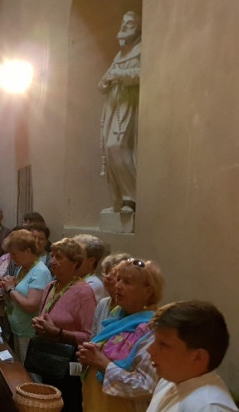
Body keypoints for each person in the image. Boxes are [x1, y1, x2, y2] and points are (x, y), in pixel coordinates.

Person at [78, 258, 164, 411]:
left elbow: (146, 386)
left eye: (127, 282)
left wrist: (102, 363)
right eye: (118, 279)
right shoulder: (118, 317)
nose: (117, 286)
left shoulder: (152, 330)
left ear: (148, 291)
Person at [31, 238, 97, 412]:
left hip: (68, 364)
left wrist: (58, 332)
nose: (52, 261)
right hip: (48, 357)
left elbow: (89, 336)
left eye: (59, 257)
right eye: (52, 256)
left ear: (75, 263)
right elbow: (47, 316)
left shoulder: (83, 292)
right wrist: (39, 324)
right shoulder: (51, 286)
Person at [146, 301, 236, 412]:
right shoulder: (168, 382)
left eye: (163, 344)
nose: (150, 350)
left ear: (198, 357)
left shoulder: (209, 407)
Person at [99, 11, 141, 214]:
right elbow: (102, 83)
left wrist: (122, 75)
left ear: (138, 28)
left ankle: (131, 198)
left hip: (128, 104)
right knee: (108, 151)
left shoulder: (141, 50)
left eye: (130, 23)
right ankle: (117, 200)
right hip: (113, 106)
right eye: (123, 22)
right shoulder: (119, 55)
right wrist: (106, 81)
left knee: (117, 146)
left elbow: (143, 73)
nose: (124, 26)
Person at [0, 230, 53, 361]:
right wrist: (7, 287)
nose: (11, 258)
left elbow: (31, 306)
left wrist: (11, 289)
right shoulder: (23, 267)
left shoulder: (40, 271)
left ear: (28, 251)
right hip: (18, 329)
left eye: (14, 254)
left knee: (26, 368)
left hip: (28, 332)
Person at [93, 253, 131, 335]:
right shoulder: (103, 303)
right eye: (106, 272)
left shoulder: (129, 308)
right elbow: (94, 335)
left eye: (114, 275)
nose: (107, 277)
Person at [73, 234, 109, 302]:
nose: (72, 259)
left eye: (78, 256)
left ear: (91, 261)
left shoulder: (93, 284)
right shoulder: (73, 279)